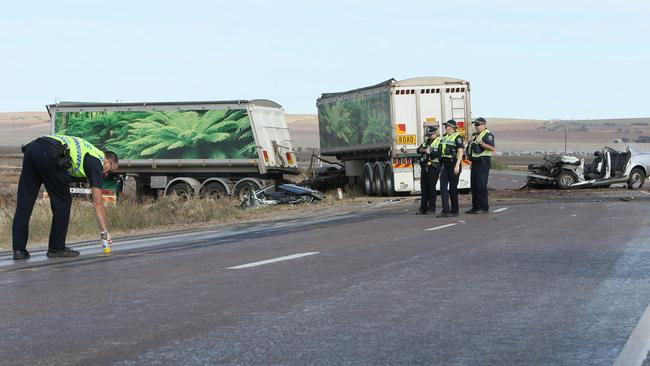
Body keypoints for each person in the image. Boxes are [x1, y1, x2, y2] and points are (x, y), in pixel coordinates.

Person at [12, 135, 119, 260]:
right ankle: (56, 248)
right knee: (63, 201)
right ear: (107, 161)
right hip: (50, 153)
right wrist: (104, 231)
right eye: (109, 170)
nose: (106, 174)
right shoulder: (97, 161)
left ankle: (19, 250)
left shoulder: (89, 150)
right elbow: (97, 202)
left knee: (25, 201)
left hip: (32, 148)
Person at [466, 117, 495, 214]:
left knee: (481, 186)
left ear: (484, 125)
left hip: (483, 163)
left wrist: (481, 143)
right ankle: (476, 207)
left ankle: (483, 207)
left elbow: (492, 148)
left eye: (478, 125)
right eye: (475, 125)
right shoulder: (476, 135)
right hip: (475, 163)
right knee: (474, 186)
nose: (476, 127)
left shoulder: (488, 135)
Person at [437, 119, 464, 218]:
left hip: (454, 164)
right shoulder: (444, 137)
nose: (445, 128)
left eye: (447, 126)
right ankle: (445, 210)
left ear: (452, 127)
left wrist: (457, 165)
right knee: (443, 187)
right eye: (445, 126)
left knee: (453, 188)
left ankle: (455, 210)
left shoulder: (457, 137)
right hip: (445, 164)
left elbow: (460, 152)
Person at [416, 126, 442, 215]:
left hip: (434, 166)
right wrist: (423, 150)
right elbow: (418, 150)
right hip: (425, 166)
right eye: (428, 135)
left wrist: (429, 152)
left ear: (435, 133)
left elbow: (439, 153)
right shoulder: (426, 141)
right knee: (424, 188)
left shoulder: (440, 141)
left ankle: (431, 208)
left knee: (431, 188)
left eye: (431, 135)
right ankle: (423, 208)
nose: (429, 136)